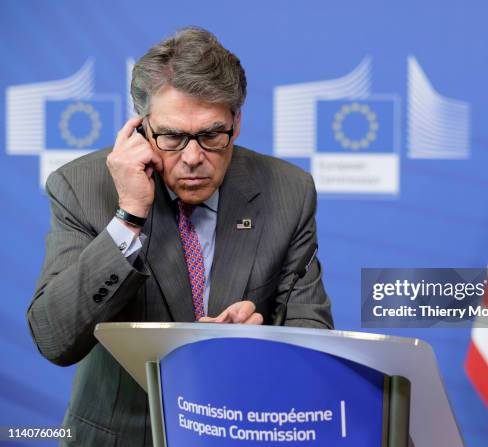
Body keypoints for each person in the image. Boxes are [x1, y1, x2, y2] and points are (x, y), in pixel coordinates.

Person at [27, 27, 333, 446]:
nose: (193, 158)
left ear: (237, 123)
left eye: (211, 135)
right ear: (141, 129)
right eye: (172, 136)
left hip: (240, 431)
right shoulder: (81, 187)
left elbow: (313, 343)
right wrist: (128, 217)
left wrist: (261, 345)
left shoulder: (288, 191)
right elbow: (54, 339)